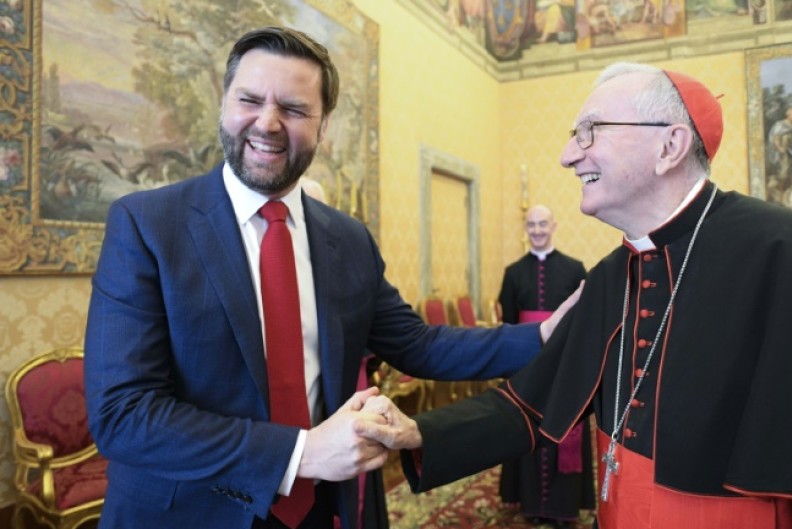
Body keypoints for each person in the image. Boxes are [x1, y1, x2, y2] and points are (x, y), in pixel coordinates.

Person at [360, 62, 792, 529]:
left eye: (589, 132)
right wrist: (421, 432)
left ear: (669, 146)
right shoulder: (615, 272)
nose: (568, 155)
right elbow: (533, 402)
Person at [83, 26, 578, 529]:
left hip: (317, 512)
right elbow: (124, 415)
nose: (268, 123)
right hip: (187, 512)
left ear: (323, 128)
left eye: (294, 109)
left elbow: (418, 344)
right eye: (250, 99)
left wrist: (540, 336)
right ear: (223, 105)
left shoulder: (348, 240)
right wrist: (299, 453)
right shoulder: (147, 225)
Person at [496, 204, 592, 526]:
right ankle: (531, 504)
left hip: (564, 361)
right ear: (526, 228)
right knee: (527, 426)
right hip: (525, 362)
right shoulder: (513, 272)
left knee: (563, 429)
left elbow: (583, 321)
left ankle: (563, 508)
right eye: (531, 224)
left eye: (542, 224)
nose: (537, 230)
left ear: (554, 225)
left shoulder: (575, 268)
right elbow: (508, 323)